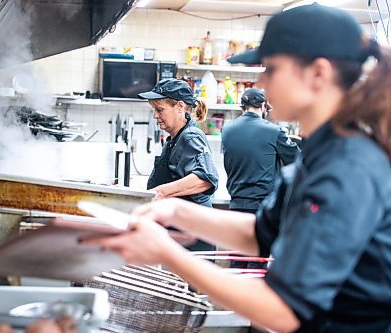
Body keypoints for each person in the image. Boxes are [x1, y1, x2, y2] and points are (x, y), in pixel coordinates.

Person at [84, 4, 391, 333]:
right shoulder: (321, 150)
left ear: (318, 73)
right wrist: (174, 211)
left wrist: (166, 252)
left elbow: (284, 310)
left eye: (271, 70)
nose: (260, 83)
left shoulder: (347, 167)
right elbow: (261, 233)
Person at [138, 78, 219, 251]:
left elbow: (204, 179)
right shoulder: (175, 138)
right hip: (182, 231)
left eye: (159, 109)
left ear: (180, 107)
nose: (155, 115)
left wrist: (159, 192)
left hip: (193, 235)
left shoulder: (190, 136)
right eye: (154, 110)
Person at [222, 87, 299, 214]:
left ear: (243, 107)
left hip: (236, 205)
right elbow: (297, 159)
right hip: (264, 207)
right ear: (263, 106)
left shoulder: (226, 130)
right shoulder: (274, 131)